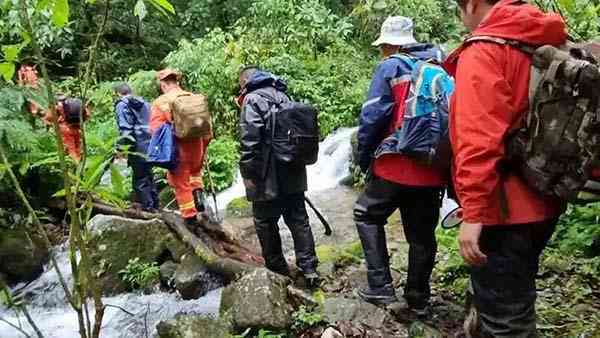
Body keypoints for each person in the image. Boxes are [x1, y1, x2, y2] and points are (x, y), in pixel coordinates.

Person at [446, 0, 567, 336]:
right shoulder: (545, 38)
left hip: (504, 208)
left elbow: (477, 139)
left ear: (471, 5)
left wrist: (473, 214)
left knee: (508, 321)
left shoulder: (485, 50)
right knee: (511, 295)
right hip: (546, 196)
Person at [354, 16, 447, 314]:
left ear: (391, 45)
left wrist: (364, 157)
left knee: (366, 215)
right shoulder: (440, 65)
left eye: (383, 46)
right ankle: (418, 298)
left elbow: (372, 117)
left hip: (395, 164)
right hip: (433, 167)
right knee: (421, 236)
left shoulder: (391, 66)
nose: (382, 52)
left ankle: (380, 288)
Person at [237, 66, 319, 288]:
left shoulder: (252, 100)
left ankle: (277, 270)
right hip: (293, 170)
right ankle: (309, 268)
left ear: (246, 81)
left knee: (265, 222)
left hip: (267, 175)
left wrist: (248, 174)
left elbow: (250, 141)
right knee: (298, 220)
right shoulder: (283, 96)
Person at [150, 69, 211, 227]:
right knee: (195, 173)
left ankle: (190, 219)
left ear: (163, 85)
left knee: (181, 183)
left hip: (178, 150)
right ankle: (199, 198)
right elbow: (206, 127)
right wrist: (204, 147)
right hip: (197, 146)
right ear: (177, 82)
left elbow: (155, 130)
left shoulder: (160, 103)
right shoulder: (192, 97)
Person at [114, 82, 159, 213]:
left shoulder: (122, 105)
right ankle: (155, 204)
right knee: (149, 175)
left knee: (140, 178)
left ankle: (148, 208)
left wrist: (120, 148)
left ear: (117, 93)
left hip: (136, 146)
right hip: (150, 143)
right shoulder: (145, 103)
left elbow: (126, 129)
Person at [44, 94, 90, 161]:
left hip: (66, 129)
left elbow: (47, 118)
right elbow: (87, 115)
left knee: (71, 151)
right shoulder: (75, 104)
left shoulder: (57, 107)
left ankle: (77, 166)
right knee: (78, 148)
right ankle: (81, 162)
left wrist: (51, 125)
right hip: (78, 128)